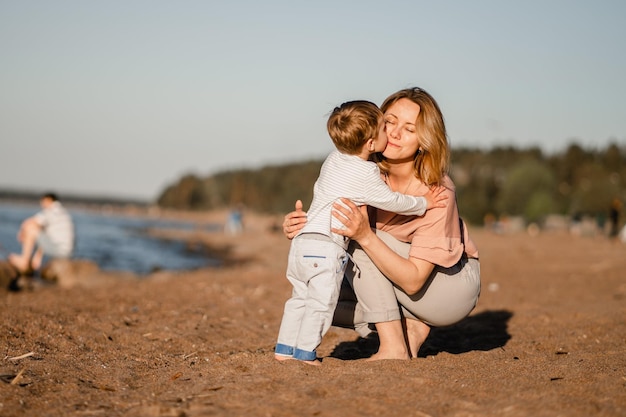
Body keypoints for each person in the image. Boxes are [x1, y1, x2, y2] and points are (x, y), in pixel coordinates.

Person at [283, 87, 481, 361]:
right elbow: (328, 213)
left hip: (448, 289)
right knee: (318, 287)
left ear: (424, 140)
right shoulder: (364, 172)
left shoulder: (437, 191)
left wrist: (365, 236)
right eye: (389, 122)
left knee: (355, 234)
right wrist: (303, 226)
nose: (396, 133)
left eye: (410, 129)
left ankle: (393, 348)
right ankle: (408, 327)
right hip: (402, 283)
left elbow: (413, 282)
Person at [8, 192, 75, 274]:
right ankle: (36, 261)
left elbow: (30, 223)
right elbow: (45, 233)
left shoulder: (53, 211)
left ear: (49, 200)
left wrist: (21, 232)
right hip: (65, 251)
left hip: (59, 251)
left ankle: (24, 261)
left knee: (31, 229)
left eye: (43, 201)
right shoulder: (62, 212)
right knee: (42, 232)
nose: (41, 204)